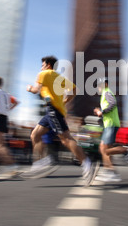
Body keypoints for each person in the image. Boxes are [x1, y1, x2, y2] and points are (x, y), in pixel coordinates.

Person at [25, 56, 97, 185]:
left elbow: (36, 90)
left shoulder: (43, 74)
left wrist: (30, 88)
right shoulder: (58, 77)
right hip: (51, 111)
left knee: (66, 139)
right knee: (35, 135)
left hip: (53, 111)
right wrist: (64, 101)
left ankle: (87, 164)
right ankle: (41, 162)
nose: (41, 67)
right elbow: (75, 89)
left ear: (47, 65)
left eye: (42, 65)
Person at [93, 78, 128, 182]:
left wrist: (101, 112)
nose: (98, 87)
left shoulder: (107, 92)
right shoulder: (105, 93)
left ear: (105, 84)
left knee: (105, 150)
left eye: (99, 85)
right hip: (109, 124)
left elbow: (112, 104)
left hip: (111, 125)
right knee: (104, 149)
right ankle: (109, 171)